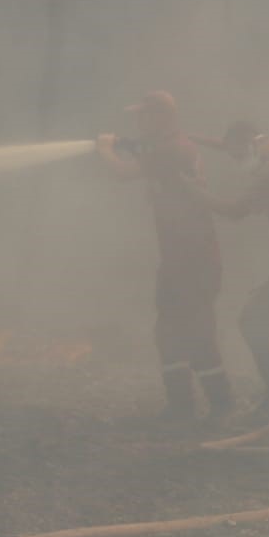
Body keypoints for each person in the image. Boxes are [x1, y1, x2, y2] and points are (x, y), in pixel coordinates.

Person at [97, 92, 235, 422]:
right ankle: (183, 405)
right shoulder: (171, 146)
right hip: (180, 258)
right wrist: (128, 144)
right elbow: (149, 158)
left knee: (194, 331)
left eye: (144, 116)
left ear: (162, 118)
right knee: (170, 331)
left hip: (193, 259)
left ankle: (219, 404)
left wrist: (104, 149)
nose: (138, 122)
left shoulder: (173, 150)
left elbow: (122, 173)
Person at [183, 121, 269, 422]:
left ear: (253, 144)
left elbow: (234, 212)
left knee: (253, 320)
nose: (239, 163)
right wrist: (189, 135)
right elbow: (229, 144)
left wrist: (194, 191)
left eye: (239, 156)